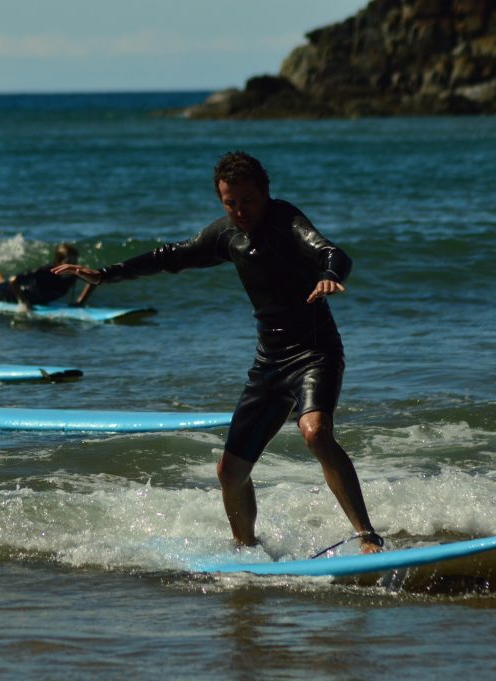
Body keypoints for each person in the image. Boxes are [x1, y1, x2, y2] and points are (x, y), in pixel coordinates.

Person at [53, 151, 383, 553]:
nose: (240, 210)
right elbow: (170, 256)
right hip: (269, 363)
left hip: (314, 354)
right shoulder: (228, 235)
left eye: (248, 200)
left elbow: (332, 252)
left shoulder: (287, 221)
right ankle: (248, 551)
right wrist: (106, 275)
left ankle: (367, 535)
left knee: (315, 433)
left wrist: (330, 275)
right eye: (230, 203)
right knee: (230, 472)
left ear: (265, 192)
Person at [0, 243, 95, 310]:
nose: (73, 265)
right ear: (58, 262)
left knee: (0, 280)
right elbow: (14, 280)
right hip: (11, 293)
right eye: (69, 262)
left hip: (21, 288)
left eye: (75, 262)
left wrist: (81, 301)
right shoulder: (46, 272)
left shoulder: (73, 273)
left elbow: (93, 279)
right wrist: (23, 302)